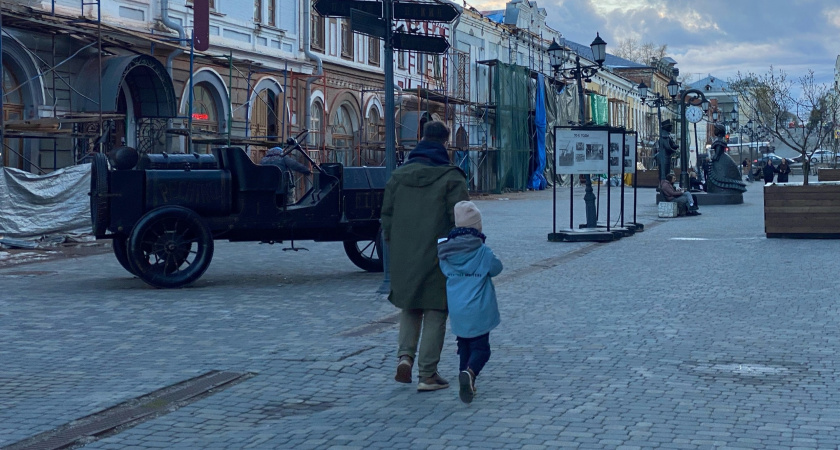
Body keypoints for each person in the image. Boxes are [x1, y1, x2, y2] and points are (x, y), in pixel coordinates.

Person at [381, 121, 470, 392]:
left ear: (421, 139)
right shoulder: (451, 177)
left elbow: (387, 216)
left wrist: (395, 245)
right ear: (445, 143)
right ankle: (427, 374)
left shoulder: (398, 176)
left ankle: (404, 357)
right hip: (439, 253)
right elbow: (462, 219)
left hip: (404, 252)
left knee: (410, 306)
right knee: (435, 309)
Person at [437, 201, 502, 404]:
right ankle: (470, 373)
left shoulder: (446, 251)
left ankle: (465, 379)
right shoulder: (482, 251)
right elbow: (496, 268)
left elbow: (444, 271)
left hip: (457, 308)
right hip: (479, 309)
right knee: (481, 349)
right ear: (478, 227)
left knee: (464, 345)